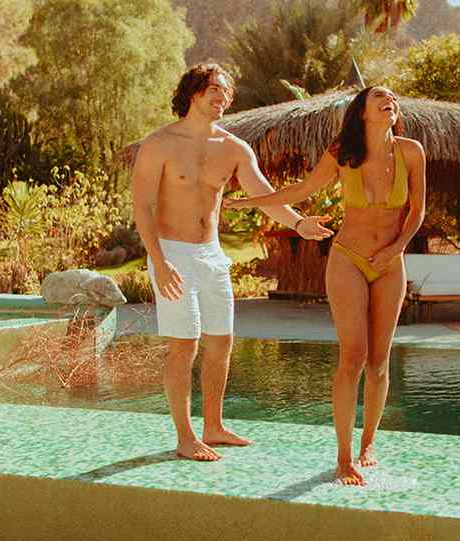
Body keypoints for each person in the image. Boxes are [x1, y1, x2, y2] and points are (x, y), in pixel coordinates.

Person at [225, 85, 426, 485]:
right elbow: (302, 190)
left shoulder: (411, 151)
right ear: (362, 111)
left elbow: (418, 209)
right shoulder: (342, 152)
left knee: (379, 361)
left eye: (394, 99)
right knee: (352, 356)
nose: (390, 101)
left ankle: (369, 442)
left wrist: (396, 249)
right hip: (348, 258)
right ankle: (343, 456)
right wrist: (249, 203)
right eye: (379, 97)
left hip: (390, 262)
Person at [132, 63, 332, 462]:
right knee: (184, 345)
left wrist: (299, 223)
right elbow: (142, 208)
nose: (223, 99)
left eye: (227, 93)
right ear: (193, 93)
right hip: (172, 254)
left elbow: (265, 194)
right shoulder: (159, 144)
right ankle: (185, 436)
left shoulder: (234, 148)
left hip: (211, 255)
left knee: (221, 341)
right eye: (215, 91)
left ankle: (214, 426)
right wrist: (159, 261)